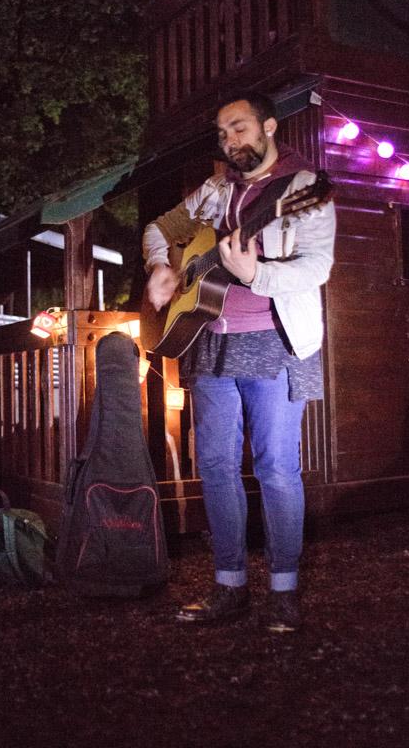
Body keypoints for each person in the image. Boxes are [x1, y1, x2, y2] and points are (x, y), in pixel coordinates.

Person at [143, 93, 336, 633]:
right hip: (208, 341)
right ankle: (229, 585)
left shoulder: (304, 188)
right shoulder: (216, 187)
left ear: (268, 126)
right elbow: (161, 230)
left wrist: (257, 276)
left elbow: (317, 265)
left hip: (273, 340)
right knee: (217, 467)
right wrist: (162, 266)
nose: (232, 140)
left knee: (276, 468)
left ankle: (284, 590)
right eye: (224, 132)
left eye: (241, 127)